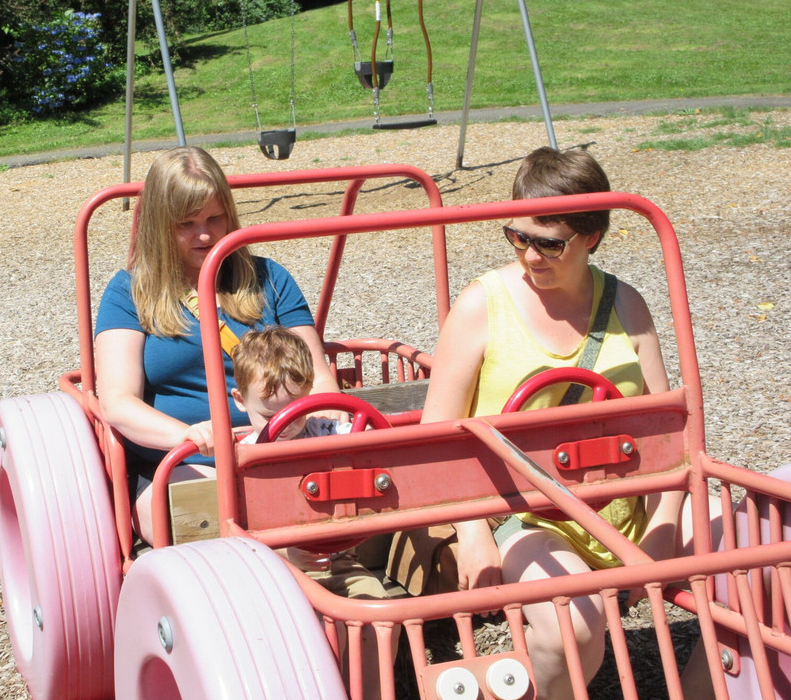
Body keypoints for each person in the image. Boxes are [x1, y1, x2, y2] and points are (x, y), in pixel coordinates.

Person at [420, 147, 705, 700]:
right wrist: (473, 532)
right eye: (517, 237)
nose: (531, 256)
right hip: (526, 513)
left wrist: (665, 522)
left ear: (592, 236)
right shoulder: (483, 305)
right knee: (574, 626)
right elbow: (438, 438)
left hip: (628, 497)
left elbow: (672, 429)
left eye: (549, 243)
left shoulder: (626, 304)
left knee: (761, 561)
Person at [93, 146, 341, 545]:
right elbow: (118, 402)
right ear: (159, 226)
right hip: (185, 463)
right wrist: (189, 436)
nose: (205, 234)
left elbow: (321, 383)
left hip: (282, 454)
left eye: (214, 218)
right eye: (186, 223)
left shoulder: (267, 279)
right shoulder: (130, 293)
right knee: (223, 522)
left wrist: (328, 442)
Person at [231, 326, 397, 700]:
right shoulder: (244, 456)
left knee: (381, 618)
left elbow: (366, 437)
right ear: (240, 400)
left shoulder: (323, 431)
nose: (285, 426)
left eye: (295, 411)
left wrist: (366, 441)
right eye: (269, 414)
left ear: (309, 394)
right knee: (313, 632)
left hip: (341, 562)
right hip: (275, 574)